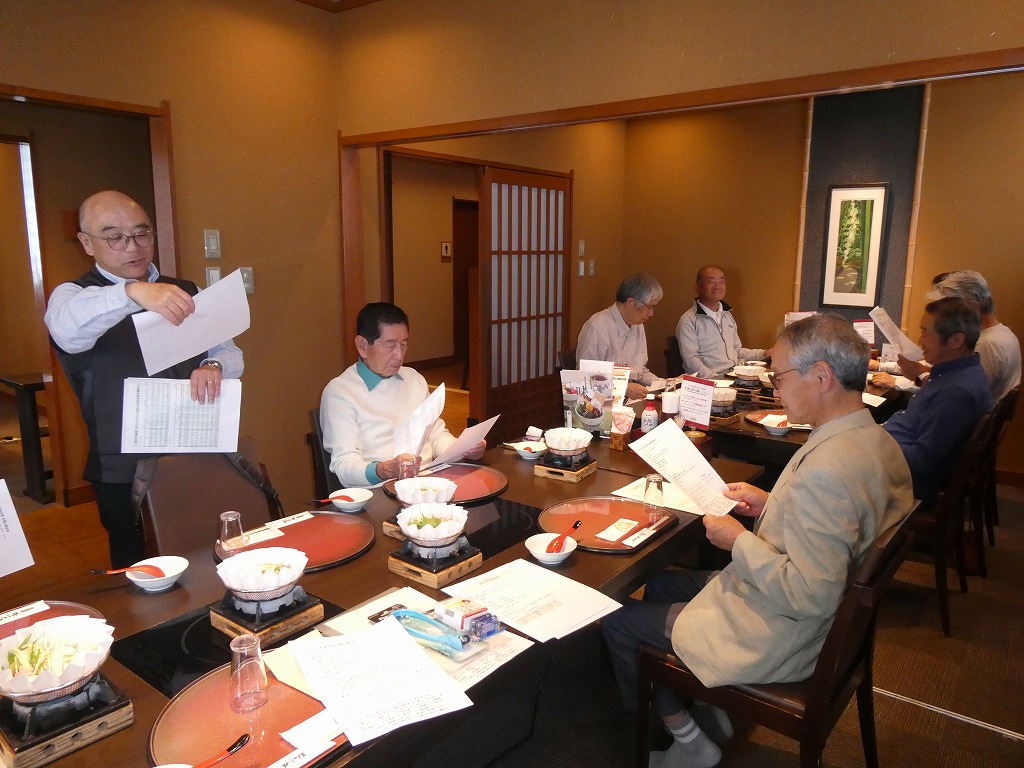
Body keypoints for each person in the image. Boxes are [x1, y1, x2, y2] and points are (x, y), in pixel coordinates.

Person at [602, 314, 913, 768]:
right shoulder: (875, 440)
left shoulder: (828, 471)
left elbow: (813, 594)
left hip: (787, 629)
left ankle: (683, 735)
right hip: (812, 610)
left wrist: (737, 541)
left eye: (780, 377)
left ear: (821, 376)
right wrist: (771, 504)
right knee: (664, 585)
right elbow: (841, 526)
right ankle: (702, 695)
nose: (776, 388)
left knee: (618, 621)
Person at [45, 190, 243, 568]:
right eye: (115, 238)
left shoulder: (186, 290)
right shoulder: (73, 296)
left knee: (210, 555)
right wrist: (132, 293)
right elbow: (67, 331)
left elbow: (229, 352)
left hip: (197, 452)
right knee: (139, 570)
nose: (132, 247)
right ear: (86, 243)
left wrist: (214, 365)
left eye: (141, 233)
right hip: (124, 469)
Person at [320, 302, 485, 488]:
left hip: (427, 484)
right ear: (362, 345)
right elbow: (344, 467)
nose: (399, 355)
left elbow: (436, 435)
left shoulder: (414, 379)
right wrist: (385, 469)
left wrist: (464, 448)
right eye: (390, 345)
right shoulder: (340, 392)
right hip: (379, 491)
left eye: (404, 344)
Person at [881, 297, 993, 503]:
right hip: (898, 453)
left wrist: (877, 441)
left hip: (908, 482)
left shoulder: (956, 393)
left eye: (925, 332)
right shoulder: (958, 373)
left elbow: (922, 461)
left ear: (956, 340)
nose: (920, 340)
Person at [576, 274, 662, 400]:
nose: (651, 313)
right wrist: (624, 388)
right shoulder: (598, 326)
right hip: (600, 402)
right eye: (650, 307)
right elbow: (584, 376)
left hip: (630, 398)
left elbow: (640, 371)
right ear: (631, 302)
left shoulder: (637, 324)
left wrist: (663, 384)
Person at [676, 265, 765, 378]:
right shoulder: (688, 320)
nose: (717, 286)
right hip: (709, 381)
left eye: (721, 282)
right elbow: (691, 360)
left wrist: (764, 353)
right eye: (711, 282)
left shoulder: (727, 315)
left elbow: (738, 351)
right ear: (698, 287)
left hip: (733, 376)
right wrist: (716, 379)